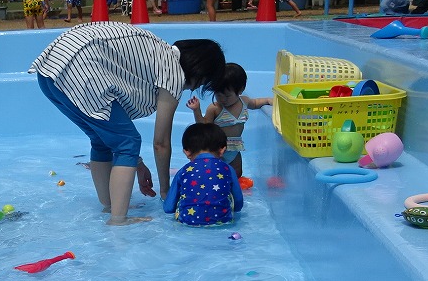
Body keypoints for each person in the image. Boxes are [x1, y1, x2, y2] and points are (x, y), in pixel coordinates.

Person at [29, 21, 226, 224]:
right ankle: (118, 219)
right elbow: (160, 143)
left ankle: (110, 207)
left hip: (50, 70)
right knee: (128, 142)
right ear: (199, 71)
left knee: (101, 139)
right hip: (80, 68)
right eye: (202, 83)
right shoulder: (174, 72)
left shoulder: (158, 52)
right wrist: (165, 191)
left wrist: (138, 164)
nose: (192, 89)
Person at [185, 62, 269, 179]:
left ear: (240, 90)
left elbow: (255, 103)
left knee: (237, 173)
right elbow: (203, 127)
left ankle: (233, 185)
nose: (222, 99)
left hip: (235, 147)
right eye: (218, 95)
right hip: (216, 148)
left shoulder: (244, 101)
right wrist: (196, 110)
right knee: (212, 172)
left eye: (227, 96)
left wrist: (269, 101)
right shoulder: (215, 108)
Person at [163, 122, 243, 227]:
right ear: (222, 150)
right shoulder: (228, 169)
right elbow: (238, 203)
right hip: (222, 221)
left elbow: (168, 208)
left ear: (187, 152)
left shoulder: (183, 171)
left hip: (188, 222)